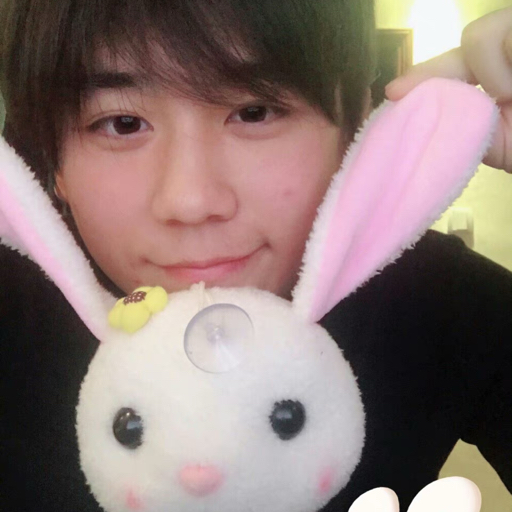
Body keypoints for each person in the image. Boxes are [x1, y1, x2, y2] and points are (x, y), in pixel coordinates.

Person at [0, 1, 510, 511]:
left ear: (355, 126)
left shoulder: (443, 304)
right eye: (123, 123)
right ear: (53, 162)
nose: (191, 201)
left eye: (254, 112)